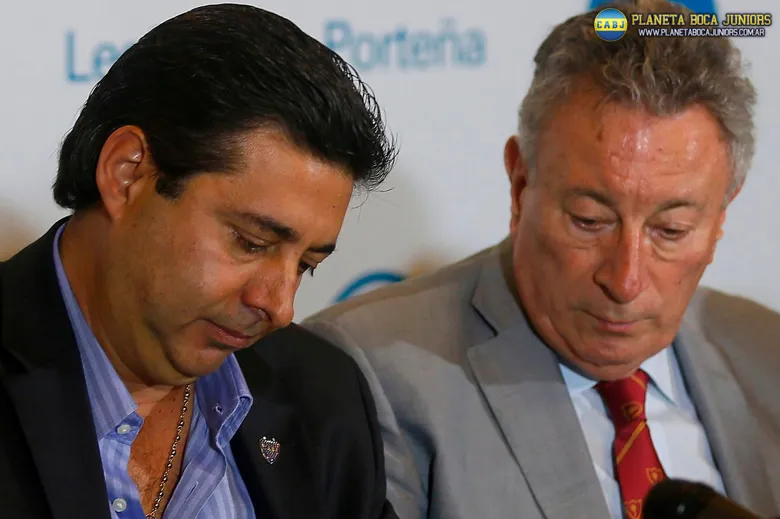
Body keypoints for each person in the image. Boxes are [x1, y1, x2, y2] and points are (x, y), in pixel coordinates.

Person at [302, 1, 780, 518]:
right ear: (520, 184)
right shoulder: (370, 375)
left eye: (671, 231)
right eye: (590, 221)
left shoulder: (767, 350)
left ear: (722, 214)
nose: (625, 280)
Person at [0, 4, 399, 519]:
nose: (279, 307)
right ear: (128, 174)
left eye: (306, 264)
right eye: (250, 242)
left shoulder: (321, 396)